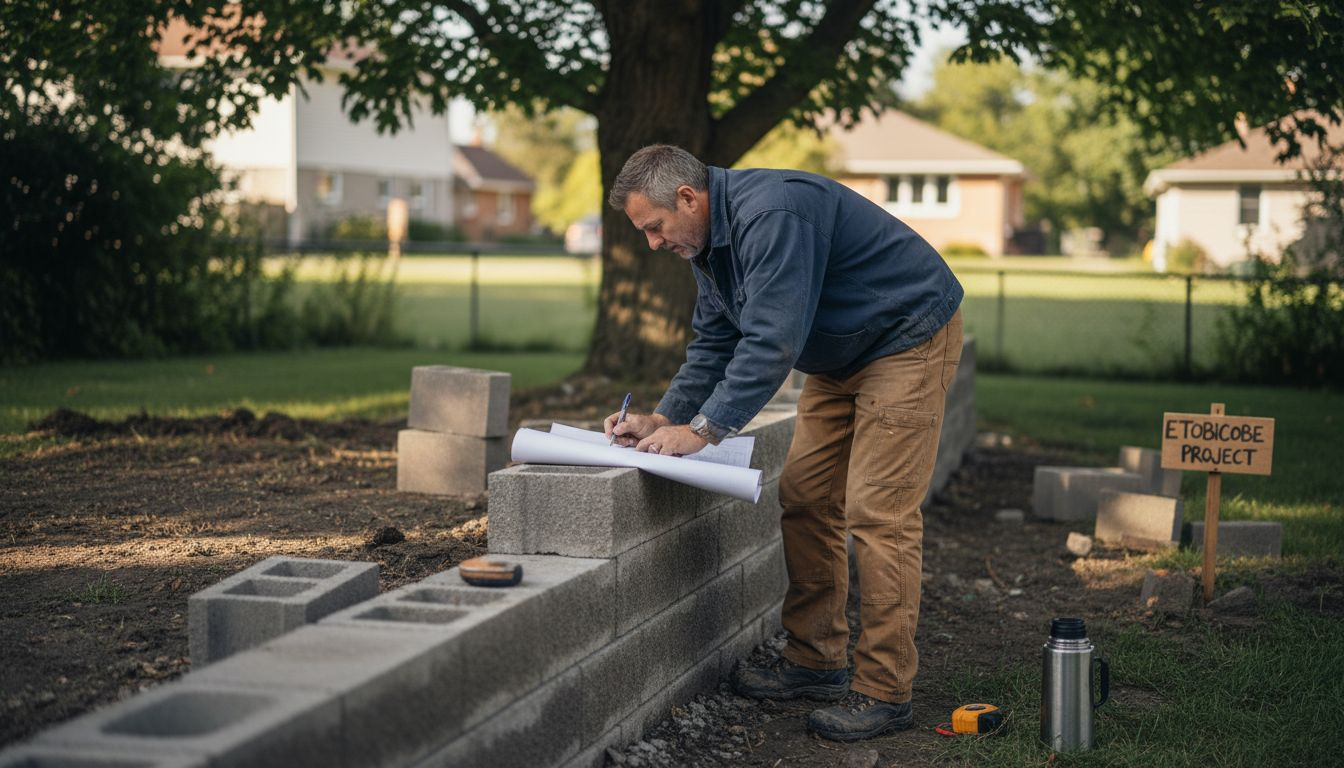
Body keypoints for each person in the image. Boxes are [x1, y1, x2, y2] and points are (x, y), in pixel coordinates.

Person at [603, 144, 963, 742]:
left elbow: (772, 340)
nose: (653, 243)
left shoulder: (772, 213)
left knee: (879, 512)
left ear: (688, 198)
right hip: (840, 353)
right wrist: (662, 417)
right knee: (806, 497)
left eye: (655, 227)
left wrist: (703, 430)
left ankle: (885, 690)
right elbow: (714, 343)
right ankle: (816, 662)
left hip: (905, 336)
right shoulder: (708, 244)